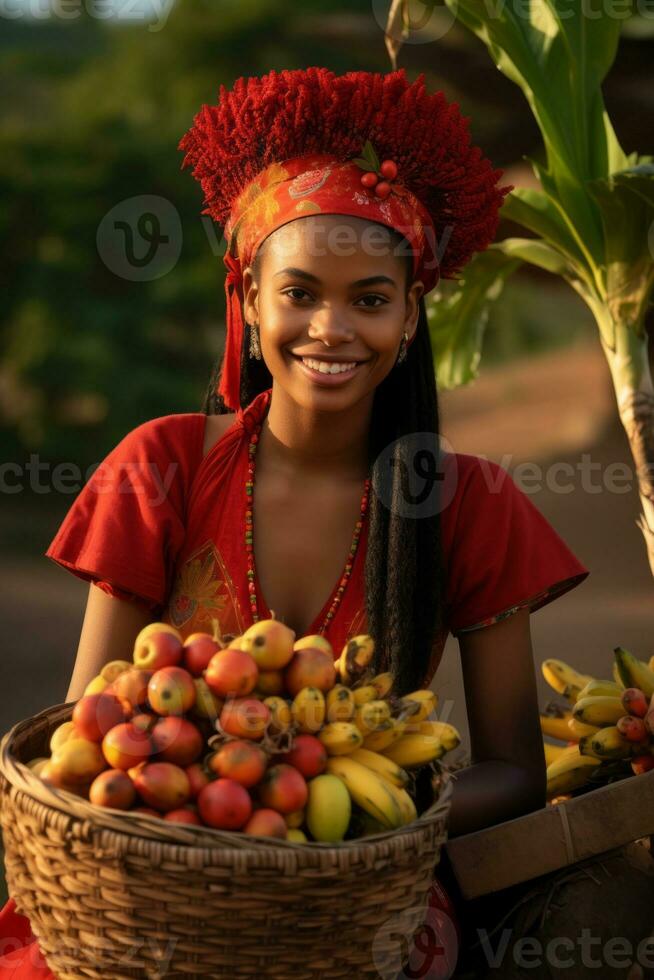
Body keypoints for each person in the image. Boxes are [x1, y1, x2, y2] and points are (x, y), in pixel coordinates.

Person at [0, 67, 590, 979]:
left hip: (367, 900)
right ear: (246, 303)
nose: (331, 328)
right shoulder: (163, 465)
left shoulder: (470, 502)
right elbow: (83, 731)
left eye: (369, 299)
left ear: (408, 320)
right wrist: (206, 819)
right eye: (300, 292)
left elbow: (515, 770)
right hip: (156, 886)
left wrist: (340, 815)